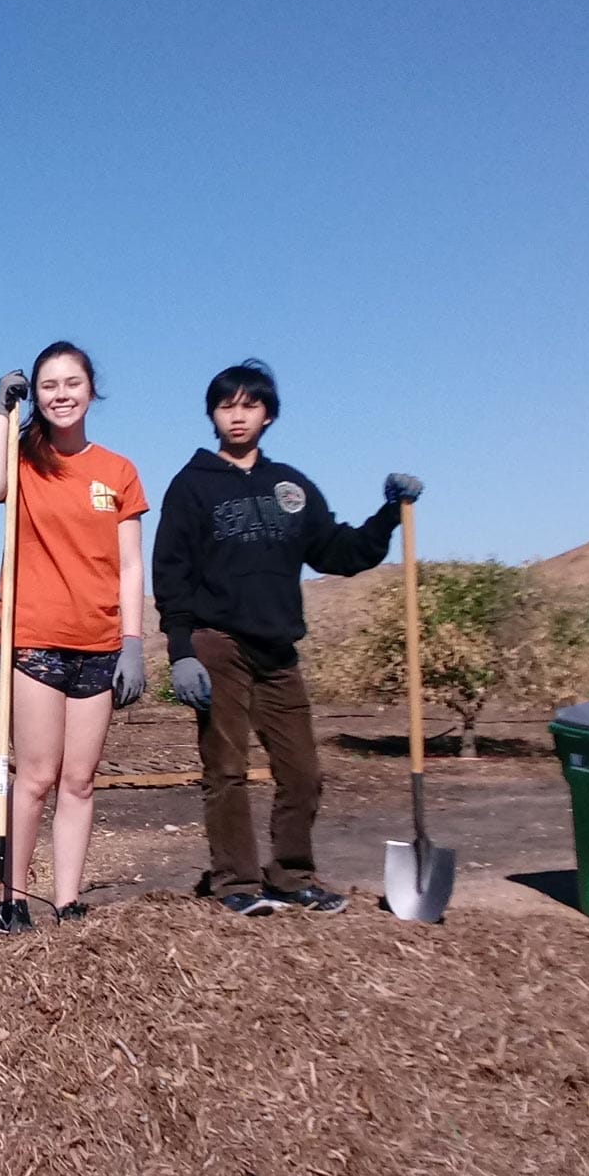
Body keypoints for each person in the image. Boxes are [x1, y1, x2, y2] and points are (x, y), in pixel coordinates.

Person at [152, 359, 423, 915]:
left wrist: (390, 513)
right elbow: (170, 574)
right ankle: (236, 883)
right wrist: (181, 651)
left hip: (278, 650)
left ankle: (292, 874)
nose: (238, 415)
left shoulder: (291, 486)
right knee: (225, 769)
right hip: (216, 641)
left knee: (303, 772)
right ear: (212, 414)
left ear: (269, 414)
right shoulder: (191, 486)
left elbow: (339, 552)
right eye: (227, 405)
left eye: (250, 405)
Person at [0, 343, 147, 932]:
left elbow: (129, 566)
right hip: (36, 639)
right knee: (38, 776)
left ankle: (68, 899)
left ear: (92, 390)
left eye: (72, 382)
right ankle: (14, 897)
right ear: (36, 396)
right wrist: (0, 411)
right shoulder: (24, 456)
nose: (61, 394)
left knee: (80, 780)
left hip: (98, 642)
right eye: (49, 385)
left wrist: (133, 639)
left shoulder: (118, 471)